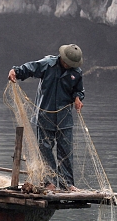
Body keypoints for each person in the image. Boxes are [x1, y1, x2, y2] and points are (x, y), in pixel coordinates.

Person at [8, 44, 84, 191]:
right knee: (45, 150)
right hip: (44, 115)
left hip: (64, 118)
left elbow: (79, 90)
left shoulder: (77, 73)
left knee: (66, 151)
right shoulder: (48, 64)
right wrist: (15, 71)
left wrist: (77, 98)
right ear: (63, 58)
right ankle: (50, 182)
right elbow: (30, 68)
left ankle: (67, 184)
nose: (69, 66)